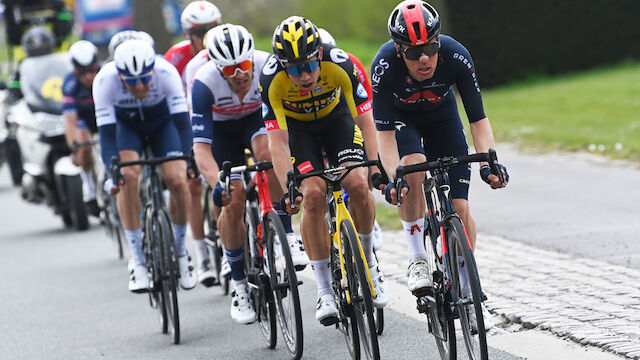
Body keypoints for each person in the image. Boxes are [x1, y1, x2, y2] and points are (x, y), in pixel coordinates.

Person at [373, 0, 509, 330]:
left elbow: (477, 120)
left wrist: (489, 162)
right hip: (402, 122)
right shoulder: (384, 66)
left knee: (460, 208)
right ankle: (417, 256)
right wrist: (394, 178)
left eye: (431, 48)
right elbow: (385, 138)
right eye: (413, 52)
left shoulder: (456, 55)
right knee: (415, 169)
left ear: (439, 41)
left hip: (443, 118)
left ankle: (469, 289)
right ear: (398, 49)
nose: (424, 58)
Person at [261, 16, 388, 326]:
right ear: (282, 66)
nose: (303, 75)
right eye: (293, 69)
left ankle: (369, 262)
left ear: (319, 54)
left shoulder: (339, 63)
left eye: (307, 65)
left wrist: (374, 165)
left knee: (357, 183)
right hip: (299, 132)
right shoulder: (270, 80)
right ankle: (324, 290)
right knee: (313, 195)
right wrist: (289, 185)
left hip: (337, 121)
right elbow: (277, 142)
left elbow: (366, 120)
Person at [191, 24, 308, 323]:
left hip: (256, 119)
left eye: (244, 65)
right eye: (230, 70)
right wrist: (216, 183)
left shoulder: (266, 65)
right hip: (222, 132)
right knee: (233, 198)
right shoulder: (203, 83)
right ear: (217, 68)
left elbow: (283, 121)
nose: (240, 74)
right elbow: (202, 150)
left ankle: (287, 231)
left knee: (267, 156)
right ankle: (239, 284)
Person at [94, 39, 197, 293]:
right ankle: (137, 260)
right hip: (126, 128)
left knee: (177, 179)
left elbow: (183, 125)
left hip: (164, 125)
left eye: (144, 79)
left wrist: (189, 158)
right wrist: (113, 169)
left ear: (152, 70)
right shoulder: (104, 81)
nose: (139, 86)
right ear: (120, 75)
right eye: (131, 81)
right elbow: (107, 137)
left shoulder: (166, 73)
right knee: (127, 178)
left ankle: (182, 252)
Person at [164, 1, 221, 286]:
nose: (207, 35)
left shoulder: (228, 46)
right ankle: (202, 256)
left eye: (212, 28)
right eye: (201, 31)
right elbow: (172, 105)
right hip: (189, 121)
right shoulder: (176, 57)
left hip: (224, 119)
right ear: (189, 34)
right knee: (193, 184)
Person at [317, 27, 385, 251]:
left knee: (361, 171)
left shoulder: (349, 63)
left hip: (345, 114)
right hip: (312, 123)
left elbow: (367, 115)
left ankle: (367, 217)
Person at [63, 40, 101, 216]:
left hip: (103, 116)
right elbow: (70, 122)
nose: (89, 77)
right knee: (84, 147)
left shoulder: (106, 75)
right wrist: (74, 148)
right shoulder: (70, 85)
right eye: (83, 72)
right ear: (75, 70)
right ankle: (90, 189)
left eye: (93, 70)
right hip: (84, 120)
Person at [164, 1, 221, 84]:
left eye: (211, 30)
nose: (206, 38)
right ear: (187, 34)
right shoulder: (175, 57)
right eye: (200, 32)